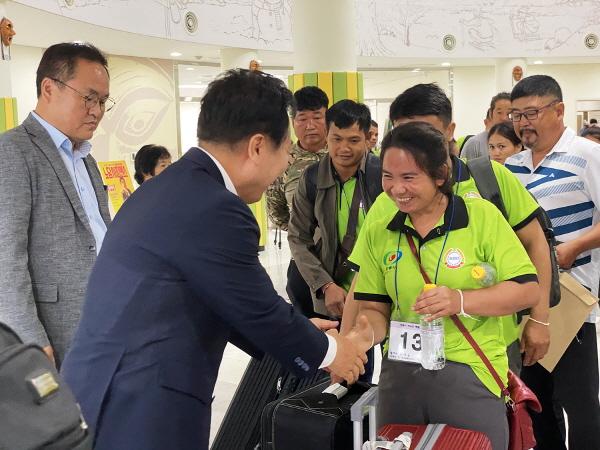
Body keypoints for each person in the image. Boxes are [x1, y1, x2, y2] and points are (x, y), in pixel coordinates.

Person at [61, 69, 373, 450]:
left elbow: (225, 298)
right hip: (145, 405)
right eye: (286, 151)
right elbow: (257, 308)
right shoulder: (218, 207)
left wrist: (304, 329)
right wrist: (332, 353)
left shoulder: (168, 186)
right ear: (258, 146)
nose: (283, 166)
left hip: (102, 390)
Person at [349, 122, 539, 450]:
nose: (396, 189)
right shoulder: (382, 228)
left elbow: (526, 289)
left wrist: (459, 300)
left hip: (470, 373)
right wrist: (360, 335)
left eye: (409, 177)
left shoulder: (481, 218)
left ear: (440, 175)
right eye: (388, 177)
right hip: (401, 376)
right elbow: (374, 307)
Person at [340, 83, 551, 376]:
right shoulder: (389, 201)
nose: (414, 146)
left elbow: (535, 244)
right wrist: (346, 341)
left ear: (449, 130)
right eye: (404, 134)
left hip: (490, 347)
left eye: (426, 133)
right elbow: (364, 281)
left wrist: (540, 320)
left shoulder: (490, 180)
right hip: (408, 359)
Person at [0, 42, 112, 367]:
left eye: (103, 101)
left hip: (104, 326)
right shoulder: (13, 151)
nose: (97, 110)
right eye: (89, 98)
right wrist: (30, 342)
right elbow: (5, 259)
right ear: (49, 88)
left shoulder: (86, 158)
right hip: (55, 335)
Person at [505, 74, 600, 450]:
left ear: (559, 110)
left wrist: (574, 246)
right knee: (537, 401)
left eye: (531, 113)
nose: (523, 123)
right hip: (526, 302)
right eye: (516, 115)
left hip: (575, 301)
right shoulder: (510, 166)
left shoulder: (588, 156)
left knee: (579, 405)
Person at [288, 99, 381, 319]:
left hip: (377, 288)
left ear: (368, 139)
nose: (344, 148)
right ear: (326, 135)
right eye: (336, 139)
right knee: (339, 350)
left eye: (354, 140)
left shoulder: (383, 175)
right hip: (333, 293)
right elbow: (298, 237)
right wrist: (325, 285)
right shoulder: (311, 178)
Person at [265, 86, 329, 317]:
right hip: (304, 259)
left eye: (317, 117)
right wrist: (302, 232)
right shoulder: (282, 162)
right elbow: (277, 211)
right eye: (302, 118)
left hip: (349, 260)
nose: (310, 125)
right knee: (308, 328)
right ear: (293, 121)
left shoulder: (344, 154)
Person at [461, 92, 511, 160]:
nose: (504, 118)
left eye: (509, 113)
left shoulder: (521, 142)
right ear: (490, 113)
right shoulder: (474, 143)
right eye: (499, 113)